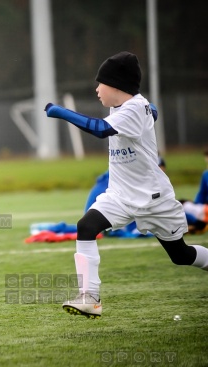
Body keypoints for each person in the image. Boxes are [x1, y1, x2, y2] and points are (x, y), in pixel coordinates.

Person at [44, 51, 208, 319]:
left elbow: (100, 129)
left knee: (181, 255)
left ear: (117, 85)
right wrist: (151, 110)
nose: (96, 89)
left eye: (101, 83)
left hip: (153, 199)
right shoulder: (126, 105)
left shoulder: (132, 109)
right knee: (86, 226)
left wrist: (60, 112)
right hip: (120, 196)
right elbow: (147, 110)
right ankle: (90, 298)